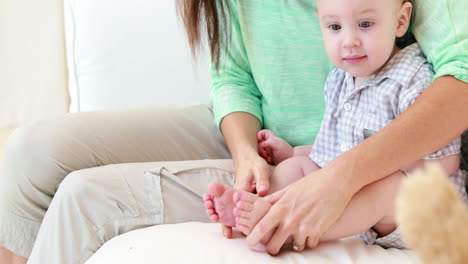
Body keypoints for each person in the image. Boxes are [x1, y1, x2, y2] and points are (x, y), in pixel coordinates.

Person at [0, 0, 466, 263]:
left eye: (362, 26)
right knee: (28, 152)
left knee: (86, 197)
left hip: (361, 157)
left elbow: (461, 80)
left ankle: (266, 214)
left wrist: (341, 177)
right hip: (270, 137)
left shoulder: (401, 62)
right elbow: (233, 78)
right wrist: (246, 153)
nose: (349, 38)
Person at [202, 0, 467, 252]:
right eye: (335, 28)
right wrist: (297, 153)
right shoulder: (339, 80)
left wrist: (387, 170)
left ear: (400, 21)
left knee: (388, 187)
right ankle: (261, 207)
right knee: (296, 168)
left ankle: (292, 230)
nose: (349, 42)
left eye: (365, 24)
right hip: (358, 205)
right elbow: (336, 146)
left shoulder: (412, 80)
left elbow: (448, 160)